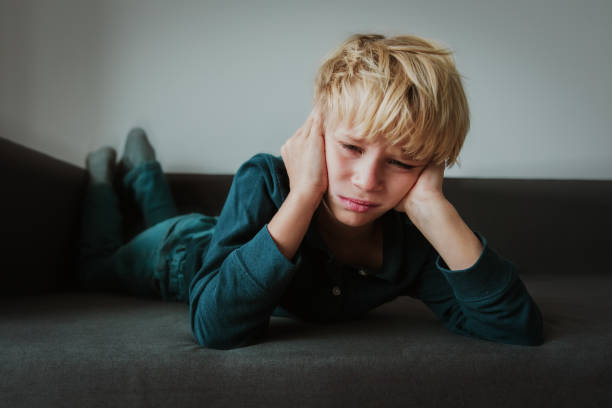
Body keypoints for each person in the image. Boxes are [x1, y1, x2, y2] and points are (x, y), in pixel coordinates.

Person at [78, 33, 543, 350]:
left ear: (429, 167)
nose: (366, 181)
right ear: (316, 131)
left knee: (160, 218)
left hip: (206, 232)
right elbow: (215, 326)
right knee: (97, 264)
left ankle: (143, 173)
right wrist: (304, 194)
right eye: (350, 147)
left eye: (402, 162)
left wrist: (433, 208)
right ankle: (115, 175)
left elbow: (515, 328)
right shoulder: (264, 179)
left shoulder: (411, 242)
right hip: (178, 255)